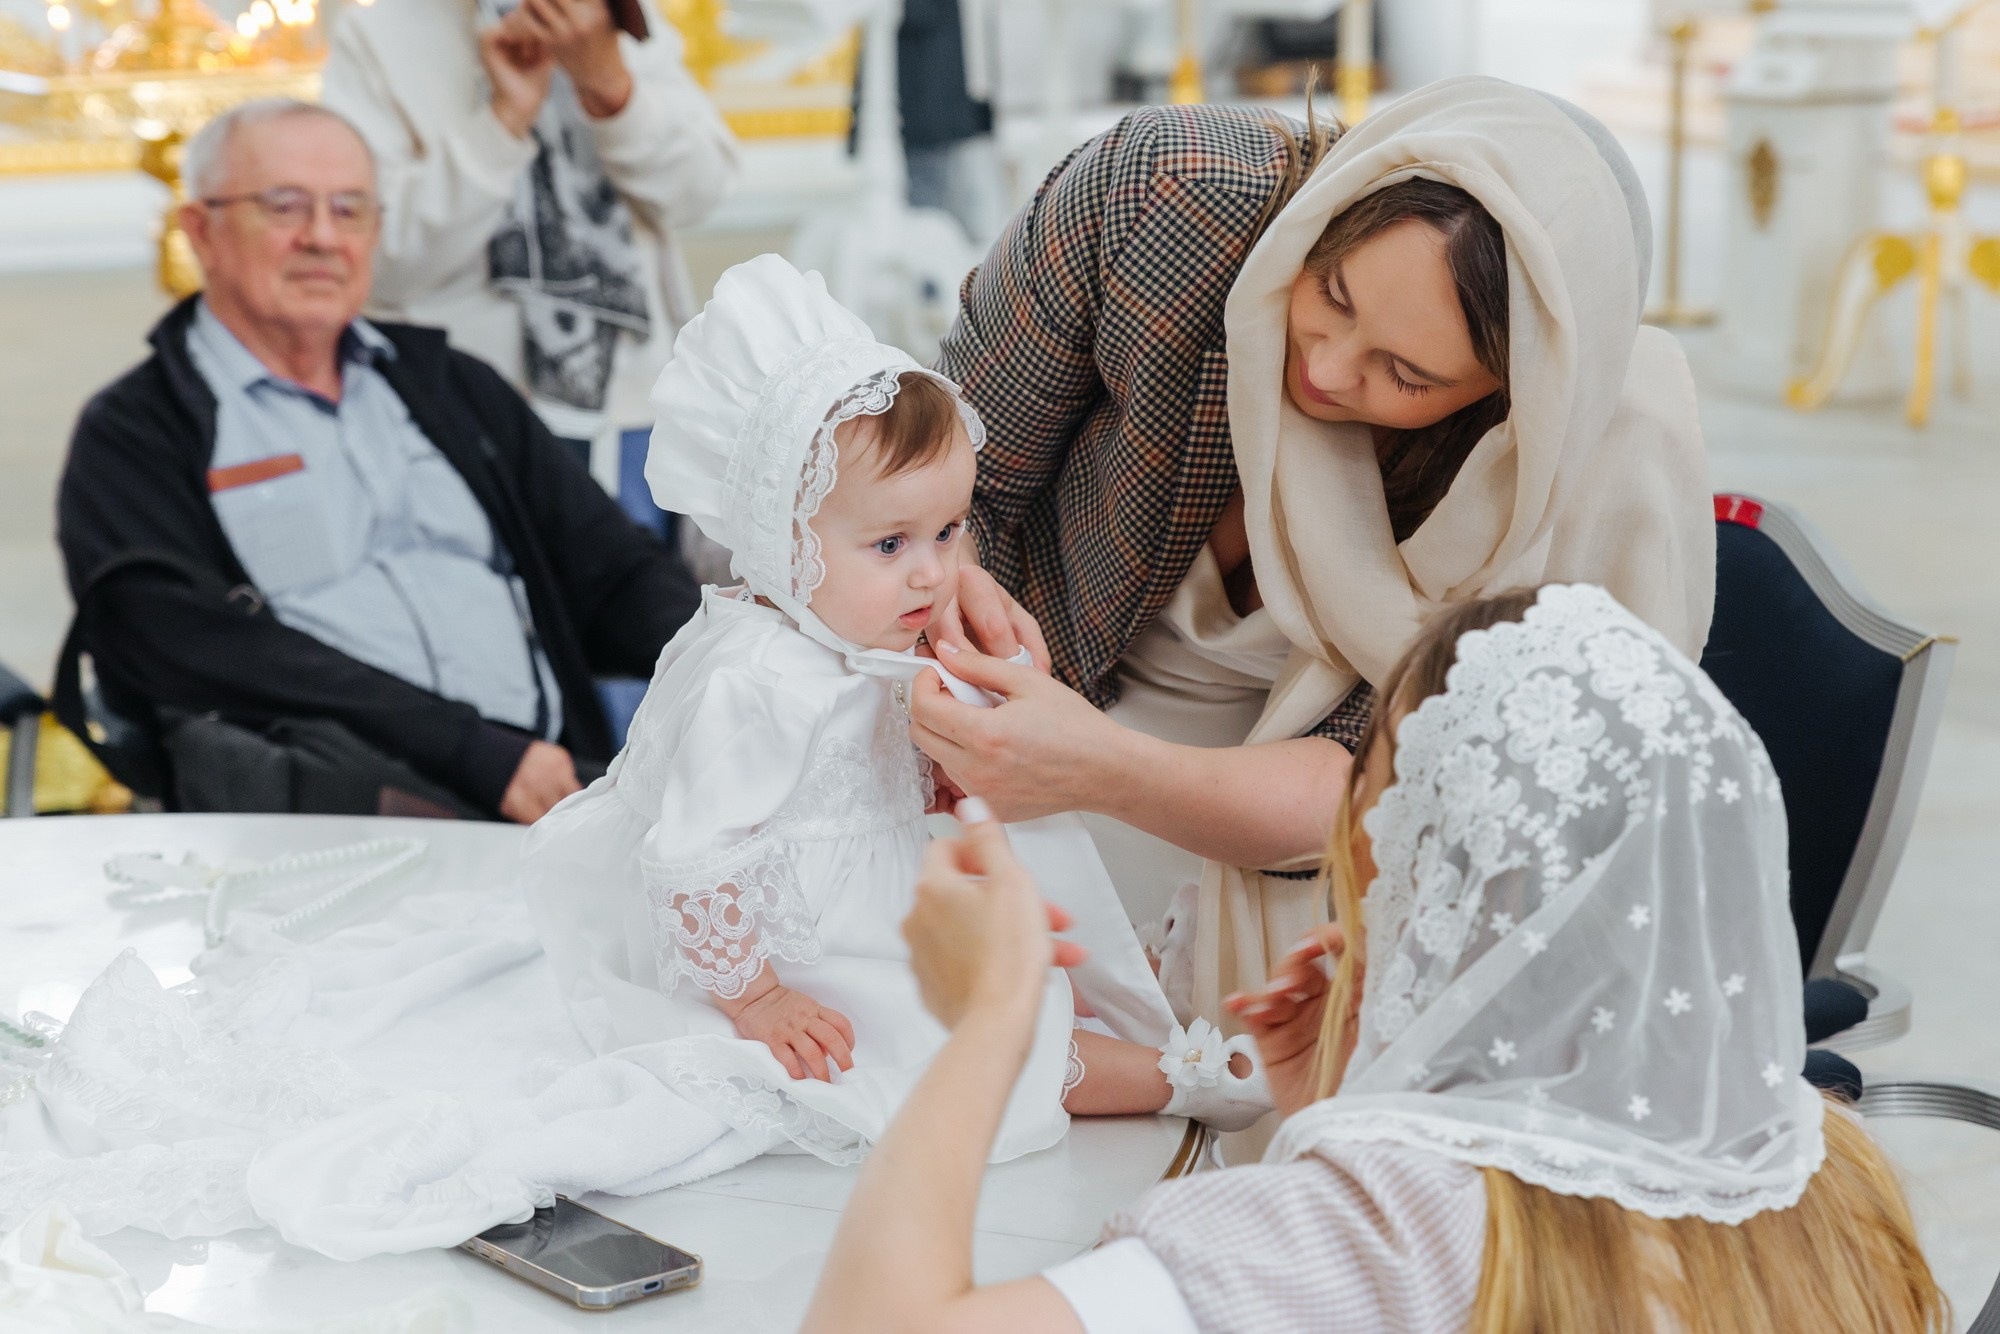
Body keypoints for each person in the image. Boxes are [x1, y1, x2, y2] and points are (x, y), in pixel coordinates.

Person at [802, 584, 1947, 1333]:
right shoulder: (1824, 1173)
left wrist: (994, 1016)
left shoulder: (1361, 1237)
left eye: (1376, 785)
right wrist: (1350, 1105)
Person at [910, 77, 1715, 1023]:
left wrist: (1095, 768)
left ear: (1502, 398)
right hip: (994, 748)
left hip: (1289, 853)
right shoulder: (1166, 202)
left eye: (1407, 375)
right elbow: (960, 472)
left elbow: (1375, 788)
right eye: (1332, 292)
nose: (1329, 369)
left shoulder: (1527, 484)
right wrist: (957, 605)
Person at [522, 255, 1269, 1166]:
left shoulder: (865, 624)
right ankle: (1179, 1076)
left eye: (950, 531)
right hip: (804, 952)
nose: (932, 571)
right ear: (785, 538)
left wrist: (943, 779)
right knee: (963, 1045)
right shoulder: (759, 682)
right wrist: (756, 997)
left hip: (893, 905)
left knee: (1019, 986)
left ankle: (1164, 1048)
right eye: (891, 542)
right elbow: (686, 857)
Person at [56, 99, 701, 823]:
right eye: (284, 207)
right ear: (201, 231)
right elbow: (175, 645)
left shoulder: (453, 387)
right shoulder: (136, 431)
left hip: (543, 792)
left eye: (351, 210)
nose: (322, 238)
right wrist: (470, 751)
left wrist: (725, 671)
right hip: (323, 817)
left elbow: (613, 573)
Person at [319, 0, 738, 500]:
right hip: (472, 419)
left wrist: (611, 87)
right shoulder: (378, 35)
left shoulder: (614, 17)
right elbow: (375, 258)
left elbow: (700, 192)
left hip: (641, 408)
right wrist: (502, 122)